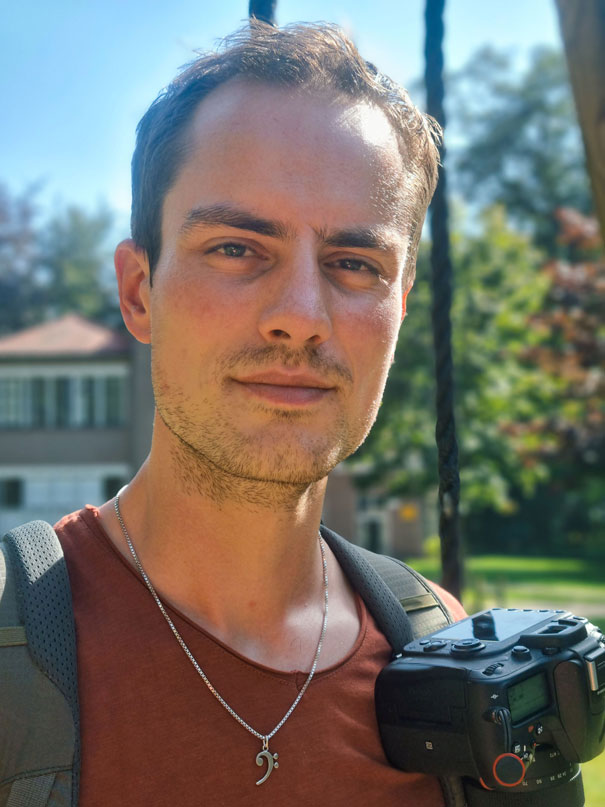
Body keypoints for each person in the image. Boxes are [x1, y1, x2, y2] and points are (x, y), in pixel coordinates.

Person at [54, 21, 465, 805]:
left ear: (400, 308)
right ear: (138, 292)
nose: (300, 316)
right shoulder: (17, 640)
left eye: (354, 263)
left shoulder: (435, 644)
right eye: (237, 248)